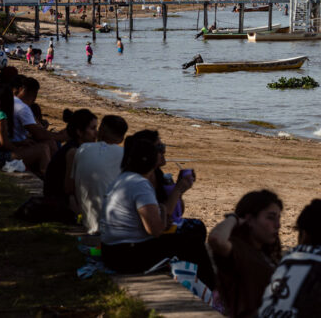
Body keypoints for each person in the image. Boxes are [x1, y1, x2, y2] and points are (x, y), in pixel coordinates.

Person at [100, 133, 216, 288]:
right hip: (126, 255)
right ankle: (212, 288)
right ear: (150, 160)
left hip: (112, 251)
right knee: (191, 243)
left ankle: (203, 283)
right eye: (159, 150)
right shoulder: (140, 184)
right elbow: (155, 230)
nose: (163, 153)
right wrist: (163, 212)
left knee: (188, 238)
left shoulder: (125, 178)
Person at [209, 190, 283, 317]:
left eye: (278, 218)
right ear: (249, 219)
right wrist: (233, 218)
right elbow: (216, 239)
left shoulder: (266, 253)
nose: (278, 225)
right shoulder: (238, 250)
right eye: (270, 218)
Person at [69, 114, 129, 234]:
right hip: (113, 226)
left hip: (88, 223)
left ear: (100, 132)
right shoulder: (124, 154)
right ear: (122, 139)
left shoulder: (82, 149)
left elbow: (69, 188)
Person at [41, 109, 98, 219]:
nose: (96, 133)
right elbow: (69, 188)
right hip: (59, 201)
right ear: (79, 132)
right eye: (93, 128)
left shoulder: (76, 147)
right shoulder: (73, 152)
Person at [0, 84, 52, 173]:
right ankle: (46, 176)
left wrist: (21, 142)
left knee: (35, 147)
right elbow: (4, 143)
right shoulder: (1, 116)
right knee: (43, 149)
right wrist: (19, 150)